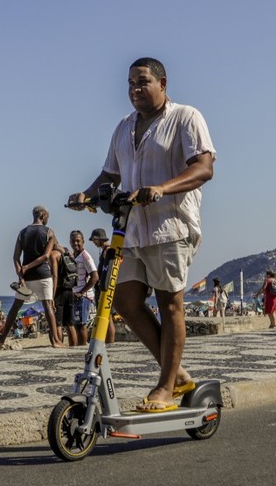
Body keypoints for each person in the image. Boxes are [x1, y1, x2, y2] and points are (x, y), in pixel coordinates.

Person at [68, 57, 215, 413]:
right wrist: (86, 195)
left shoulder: (186, 117)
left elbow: (204, 167)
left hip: (171, 227)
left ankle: (166, 387)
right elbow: (109, 175)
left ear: (162, 83)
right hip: (131, 229)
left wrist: (162, 188)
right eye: (130, 83)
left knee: (170, 304)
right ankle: (177, 374)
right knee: (124, 301)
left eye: (142, 81)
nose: (135, 89)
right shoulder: (123, 127)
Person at [0, 205, 62, 348]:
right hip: (43, 274)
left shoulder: (22, 232)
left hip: (27, 277)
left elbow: (15, 257)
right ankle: (56, 341)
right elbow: (46, 256)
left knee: (15, 307)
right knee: (48, 305)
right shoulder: (49, 232)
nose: (48, 219)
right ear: (42, 215)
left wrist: (21, 274)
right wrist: (28, 267)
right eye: (47, 216)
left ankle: (2, 338)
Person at [69, 230, 98, 346]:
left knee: (81, 324)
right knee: (75, 324)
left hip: (83, 296)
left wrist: (82, 292)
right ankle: (77, 349)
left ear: (83, 242)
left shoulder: (85, 256)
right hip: (75, 294)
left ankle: (82, 349)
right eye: (73, 241)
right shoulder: (74, 256)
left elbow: (95, 277)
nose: (76, 243)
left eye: (78, 241)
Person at [89, 228, 116, 343]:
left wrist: (104, 283)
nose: (94, 243)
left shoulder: (107, 251)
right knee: (107, 317)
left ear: (98, 239)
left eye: (94, 240)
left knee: (107, 317)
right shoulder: (105, 250)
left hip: (105, 288)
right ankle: (108, 341)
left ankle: (110, 342)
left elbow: (109, 269)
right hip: (104, 287)